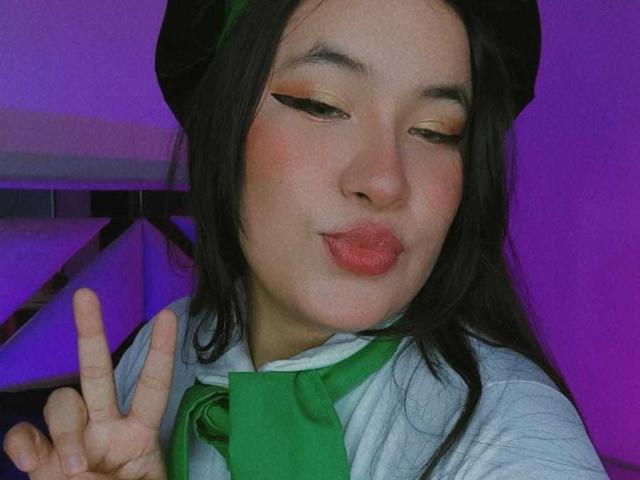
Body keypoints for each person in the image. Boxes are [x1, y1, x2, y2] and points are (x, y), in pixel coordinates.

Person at [3, 0, 610, 478]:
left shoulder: (513, 436)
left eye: (436, 130)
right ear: (224, 126)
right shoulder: (158, 356)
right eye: (322, 106)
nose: (385, 181)